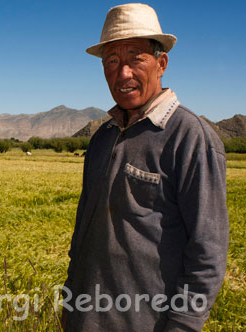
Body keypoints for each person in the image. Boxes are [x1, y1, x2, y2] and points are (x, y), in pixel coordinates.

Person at [62, 4, 228, 331]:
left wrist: (181, 325)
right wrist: (69, 304)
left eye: (136, 58)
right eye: (112, 61)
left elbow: (207, 257)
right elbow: (82, 235)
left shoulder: (190, 138)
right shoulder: (102, 138)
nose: (122, 73)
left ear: (161, 63)